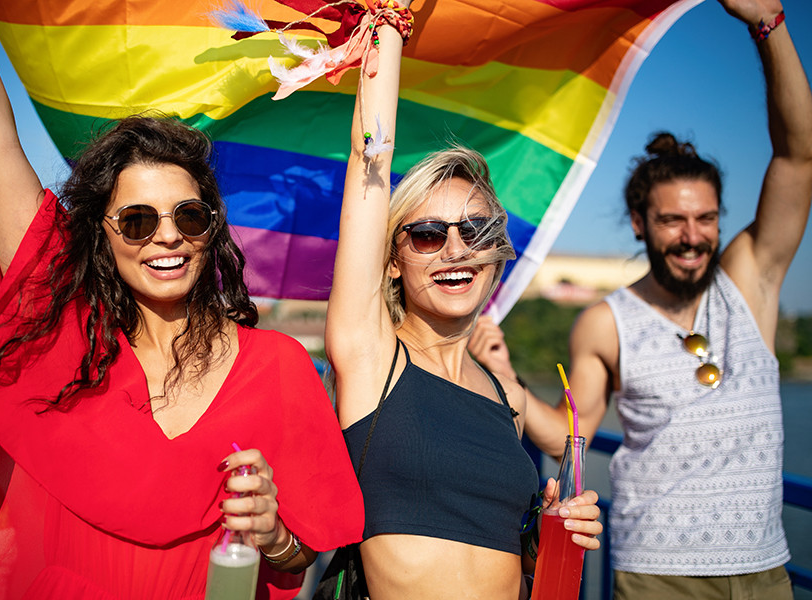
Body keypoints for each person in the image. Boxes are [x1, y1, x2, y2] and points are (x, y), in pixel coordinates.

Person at [0, 1, 365, 598]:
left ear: (212, 227)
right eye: (137, 220)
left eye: (189, 215)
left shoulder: (279, 366)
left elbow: (304, 551)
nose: (167, 236)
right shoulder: (67, 339)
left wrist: (274, 535)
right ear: (103, 236)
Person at [469, 0, 812, 597]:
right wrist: (506, 381)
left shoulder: (750, 280)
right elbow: (570, 436)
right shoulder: (605, 322)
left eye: (706, 218)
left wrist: (770, 24)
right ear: (639, 223)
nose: (692, 236)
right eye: (672, 220)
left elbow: (797, 155)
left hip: (765, 568)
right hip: (657, 574)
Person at [323, 7, 602, 600]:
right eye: (427, 234)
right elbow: (370, 159)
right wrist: (390, 25)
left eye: (475, 231)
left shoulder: (506, 399)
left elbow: (504, 554)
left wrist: (550, 534)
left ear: (496, 253)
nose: (456, 249)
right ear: (392, 259)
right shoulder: (371, 356)